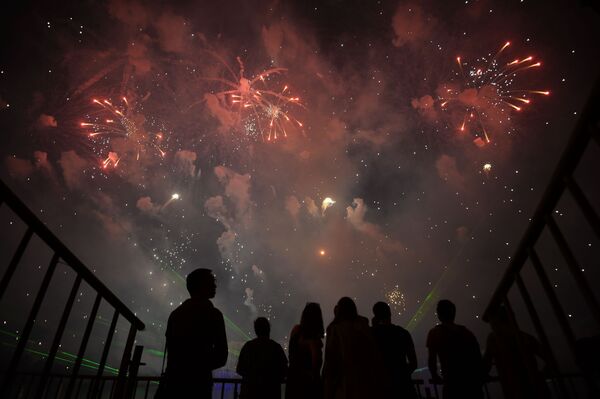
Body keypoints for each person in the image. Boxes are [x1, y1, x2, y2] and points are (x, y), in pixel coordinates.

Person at [162, 268, 228, 398]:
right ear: (202, 285)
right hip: (199, 386)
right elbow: (221, 356)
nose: (215, 285)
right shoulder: (213, 315)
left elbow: (172, 351)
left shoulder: (175, 314)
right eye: (211, 282)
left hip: (173, 384)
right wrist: (199, 368)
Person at [483, 306, 550, 399]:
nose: (491, 324)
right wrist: (540, 376)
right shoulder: (524, 337)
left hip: (515, 390)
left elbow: (486, 364)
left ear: (497, 320)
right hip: (535, 388)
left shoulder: (493, 339)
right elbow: (549, 359)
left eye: (492, 320)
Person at [323, 297, 383, 399]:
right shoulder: (364, 328)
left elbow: (331, 361)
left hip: (345, 384)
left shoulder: (335, 329)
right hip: (366, 383)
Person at [427, 299, 483, 399]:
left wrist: (435, 376)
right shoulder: (467, 333)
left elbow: (432, 359)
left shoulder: (435, 333)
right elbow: (478, 358)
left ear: (439, 315)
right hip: (472, 385)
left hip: (452, 385)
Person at [371, 301, 417, 399]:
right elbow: (414, 363)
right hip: (405, 387)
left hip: (382, 388)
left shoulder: (372, 335)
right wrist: (402, 376)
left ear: (375, 316)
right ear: (390, 313)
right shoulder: (403, 333)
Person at [237, 317, 288, 399]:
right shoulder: (276, 348)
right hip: (271, 393)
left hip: (250, 393)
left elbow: (239, 369)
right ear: (268, 329)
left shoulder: (248, 347)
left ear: (256, 330)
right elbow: (284, 371)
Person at [286, 302, 325, 399]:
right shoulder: (313, 340)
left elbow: (291, 354)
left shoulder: (295, 330)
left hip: (293, 380)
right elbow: (316, 362)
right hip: (307, 383)